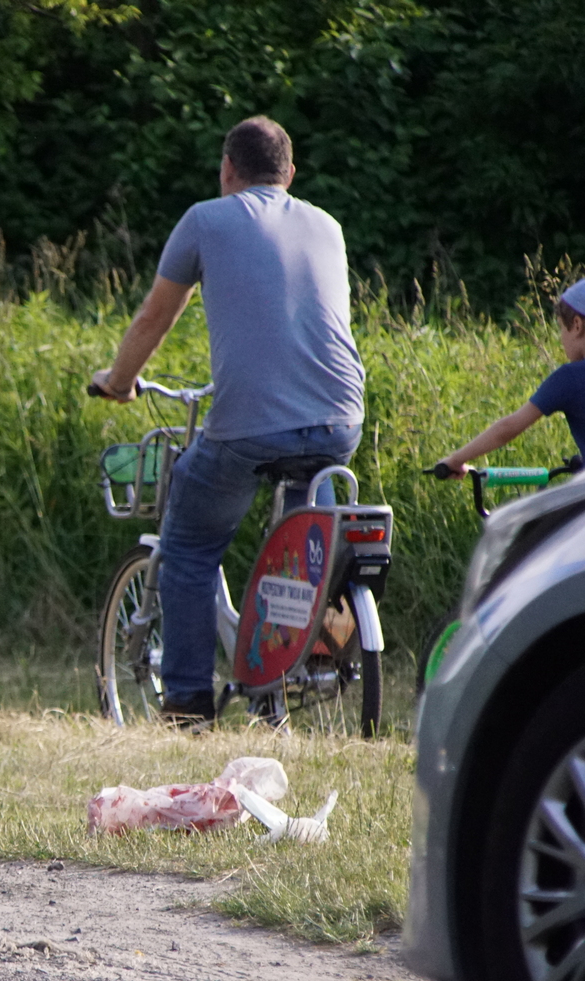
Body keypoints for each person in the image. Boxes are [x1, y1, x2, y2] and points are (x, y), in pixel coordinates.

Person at [91, 115, 366, 724]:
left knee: (189, 545)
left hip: (249, 427)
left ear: (226, 172)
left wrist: (117, 383)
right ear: (290, 174)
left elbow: (153, 319)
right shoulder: (327, 225)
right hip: (339, 422)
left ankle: (187, 702)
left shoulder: (205, 220)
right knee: (302, 554)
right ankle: (299, 660)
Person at [436, 276, 585, 474]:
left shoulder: (573, 376)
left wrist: (456, 460)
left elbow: (507, 429)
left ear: (576, 325)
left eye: (561, 329)